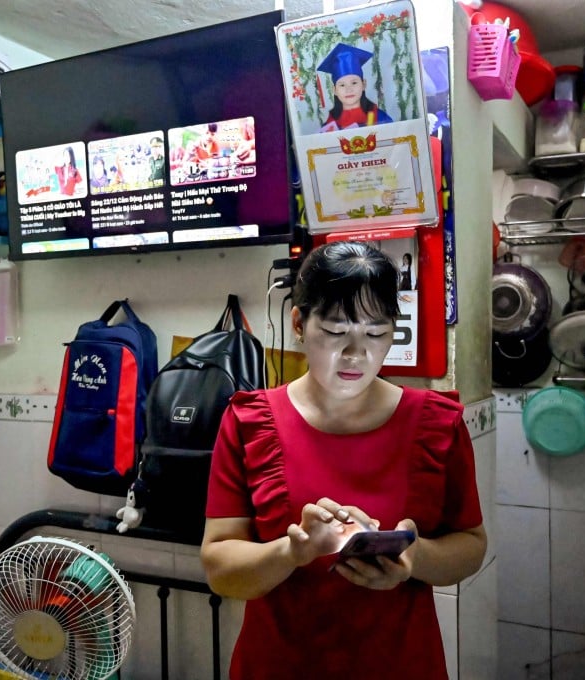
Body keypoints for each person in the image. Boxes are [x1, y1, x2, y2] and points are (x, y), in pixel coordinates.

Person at [200, 240, 486, 679]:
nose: (356, 354)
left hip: (400, 663)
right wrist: (291, 552)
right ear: (299, 322)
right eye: (335, 332)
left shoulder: (436, 424)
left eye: (376, 333)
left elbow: (470, 545)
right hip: (281, 664)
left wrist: (414, 557)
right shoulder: (250, 421)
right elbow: (220, 567)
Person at [317, 43, 394, 132]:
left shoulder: (380, 118)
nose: (348, 89)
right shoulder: (329, 126)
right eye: (342, 85)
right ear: (334, 90)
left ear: (363, 84)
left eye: (354, 83)